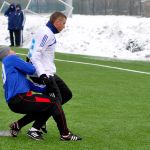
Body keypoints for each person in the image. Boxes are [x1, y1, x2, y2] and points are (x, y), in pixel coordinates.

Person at [0, 46, 81, 141]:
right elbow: (31, 69)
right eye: (11, 50)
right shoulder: (11, 58)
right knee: (54, 103)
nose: (14, 51)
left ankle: (17, 125)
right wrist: (39, 65)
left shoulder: (10, 69)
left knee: (44, 106)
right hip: (21, 98)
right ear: (7, 53)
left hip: (15, 102)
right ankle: (65, 134)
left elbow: (30, 84)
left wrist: (47, 87)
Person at [27, 12, 73, 131]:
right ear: (57, 22)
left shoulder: (46, 31)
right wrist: (42, 75)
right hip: (42, 73)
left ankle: (36, 123)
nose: (64, 26)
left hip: (47, 72)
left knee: (66, 94)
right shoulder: (46, 33)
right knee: (55, 102)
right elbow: (34, 55)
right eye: (63, 23)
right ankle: (35, 129)